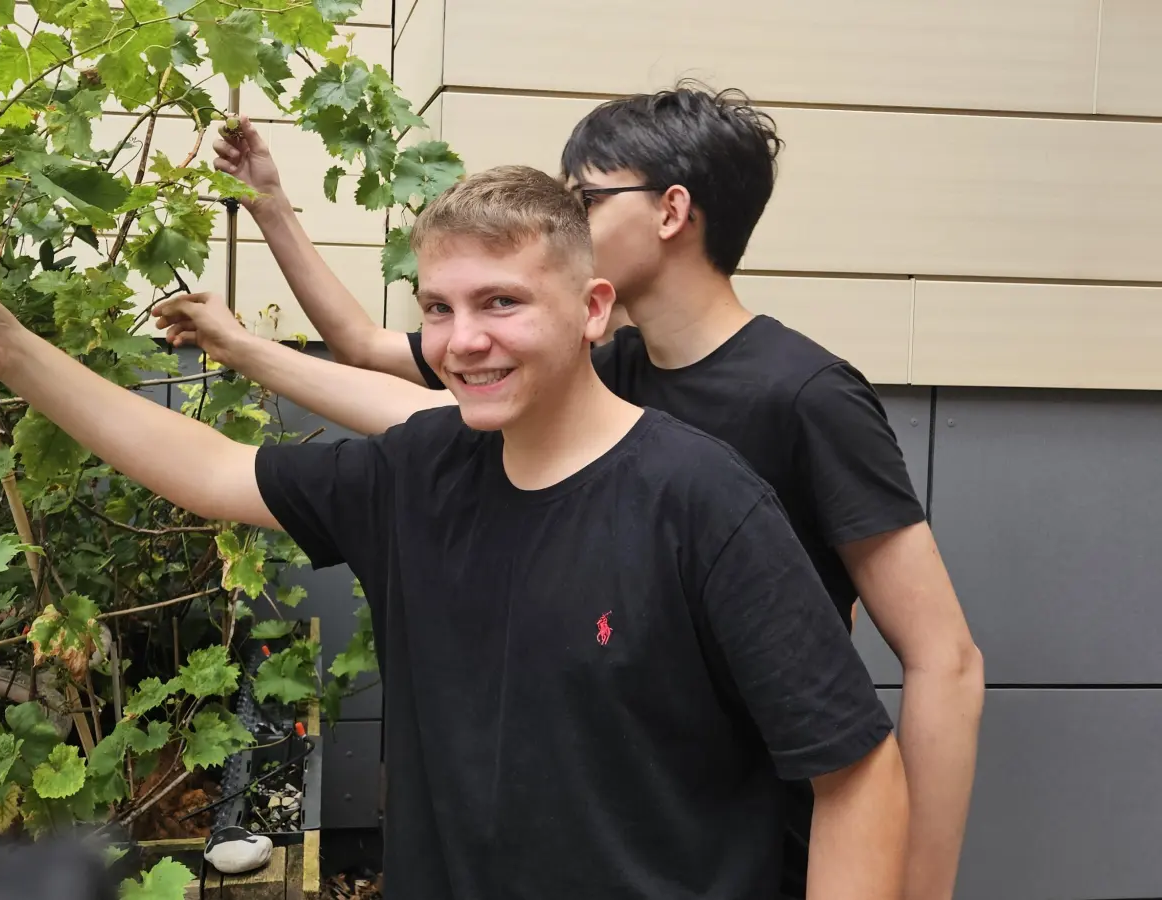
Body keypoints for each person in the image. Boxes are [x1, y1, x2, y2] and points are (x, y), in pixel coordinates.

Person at [0, 165, 910, 899]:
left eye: (501, 303)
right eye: (438, 307)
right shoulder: (418, 470)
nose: (463, 340)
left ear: (592, 308)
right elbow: (211, 471)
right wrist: (18, 356)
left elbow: (857, 771)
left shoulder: (702, 501)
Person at [161, 84, 983, 899]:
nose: (565, 215)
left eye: (585, 198)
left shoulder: (804, 396)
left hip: (761, 844)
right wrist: (265, 243)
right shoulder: (610, 369)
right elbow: (380, 369)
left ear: (671, 211)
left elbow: (944, 661)